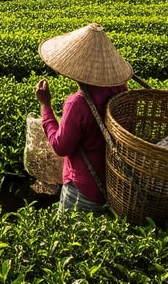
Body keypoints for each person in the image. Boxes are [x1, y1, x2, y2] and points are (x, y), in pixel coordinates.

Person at [34, 23, 132, 214]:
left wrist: (46, 107)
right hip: (115, 184)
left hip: (83, 189)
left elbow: (60, 146)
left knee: (68, 231)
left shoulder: (77, 103)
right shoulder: (120, 88)